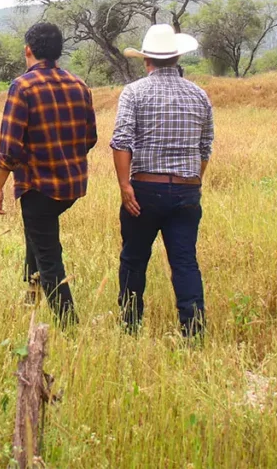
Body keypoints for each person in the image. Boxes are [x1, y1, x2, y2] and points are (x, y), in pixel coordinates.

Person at [0, 22, 97, 326]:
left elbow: (10, 148)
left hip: (38, 186)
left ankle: (69, 325)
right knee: (35, 235)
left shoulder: (22, 86)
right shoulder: (79, 85)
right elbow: (90, 138)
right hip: (72, 186)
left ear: (28, 50)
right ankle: (31, 296)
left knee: (49, 255)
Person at [110, 24, 214, 340]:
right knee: (185, 263)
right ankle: (193, 333)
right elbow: (204, 147)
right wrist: (192, 183)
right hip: (186, 189)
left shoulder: (134, 92)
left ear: (147, 61)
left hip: (144, 189)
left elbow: (121, 141)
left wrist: (125, 186)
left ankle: (130, 328)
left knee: (134, 259)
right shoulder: (199, 94)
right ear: (177, 57)